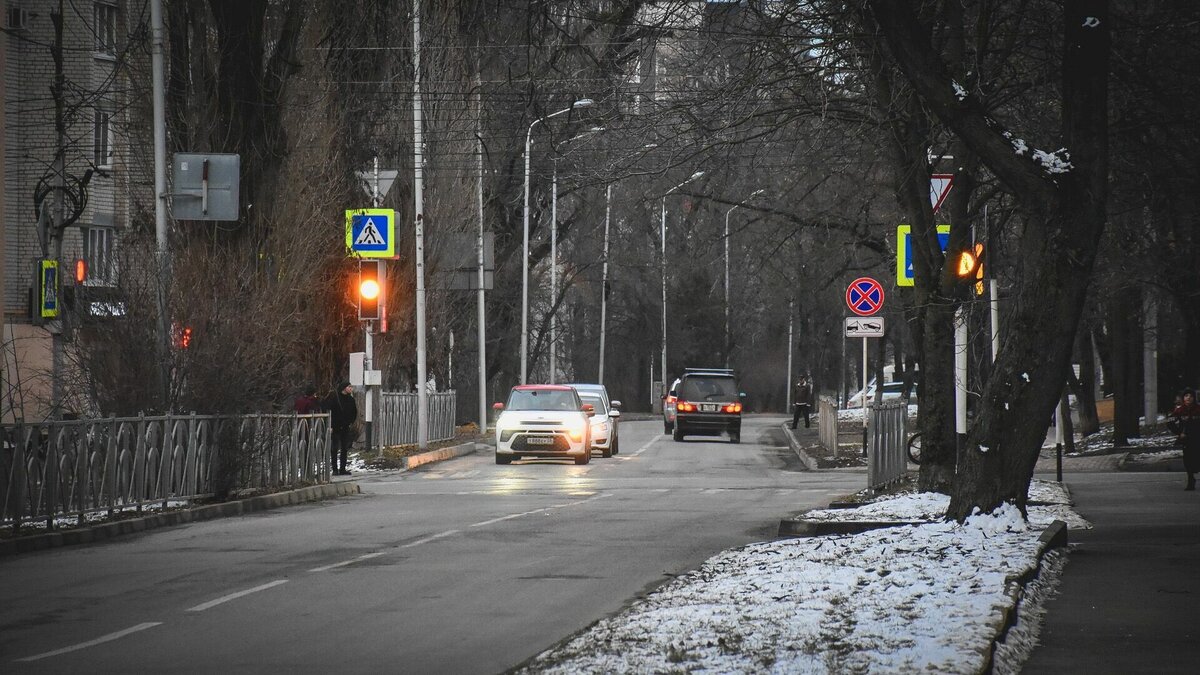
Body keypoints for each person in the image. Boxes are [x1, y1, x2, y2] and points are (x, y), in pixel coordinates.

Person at [1167, 388, 1200, 491]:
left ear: (1194, 398)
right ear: (1183, 398)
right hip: (1186, 439)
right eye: (1186, 396)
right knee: (1188, 460)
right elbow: (1170, 422)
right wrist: (1178, 433)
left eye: (1191, 396)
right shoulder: (1180, 410)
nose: (1188, 398)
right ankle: (1191, 480)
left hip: (1198, 438)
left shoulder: (1198, 409)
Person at [323, 380, 358, 476]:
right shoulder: (335, 398)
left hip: (346, 426)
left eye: (351, 387)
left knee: (344, 448)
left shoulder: (351, 399)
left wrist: (351, 422)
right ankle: (335, 469)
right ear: (344, 388)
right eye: (349, 387)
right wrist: (330, 425)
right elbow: (330, 412)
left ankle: (343, 468)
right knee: (334, 448)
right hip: (335, 426)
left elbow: (354, 412)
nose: (351, 389)